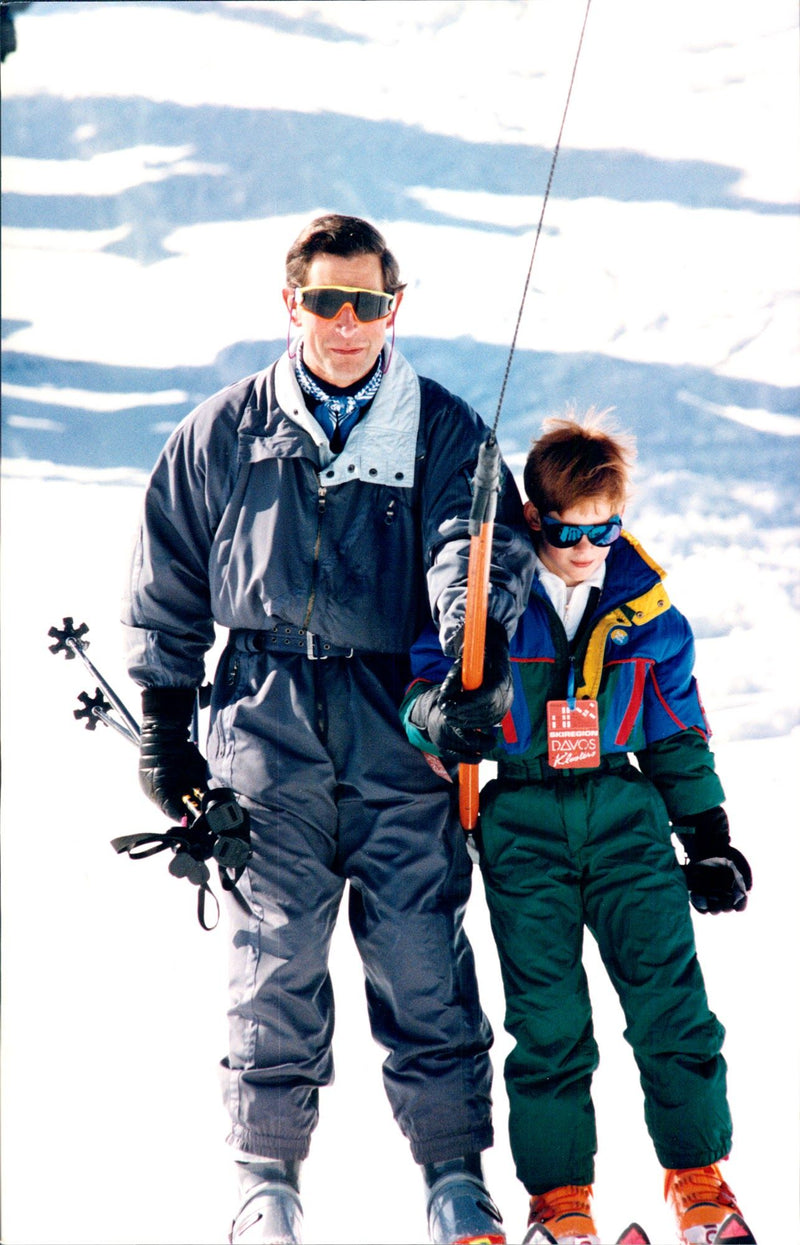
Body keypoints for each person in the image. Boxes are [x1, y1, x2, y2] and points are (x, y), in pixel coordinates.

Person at [121, 213, 535, 1245]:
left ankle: (451, 1179)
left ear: (396, 308)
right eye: (325, 301)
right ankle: (268, 1183)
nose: (346, 324)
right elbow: (167, 580)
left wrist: (462, 668)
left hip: (397, 716)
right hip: (262, 714)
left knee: (419, 951)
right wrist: (164, 725)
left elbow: (470, 552)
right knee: (274, 952)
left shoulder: (441, 430)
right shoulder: (224, 431)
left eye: (367, 304)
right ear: (289, 302)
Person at [401, 412, 755, 1245]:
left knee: (672, 1004)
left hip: (626, 816)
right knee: (550, 1021)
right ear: (533, 518)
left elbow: (675, 728)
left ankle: (699, 1183)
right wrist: (442, 719)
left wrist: (707, 833)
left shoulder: (647, 611)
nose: (589, 549)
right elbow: (422, 689)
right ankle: (561, 1203)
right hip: (522, 820)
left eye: (606, 530)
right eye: (569, 531)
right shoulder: (486, 599)